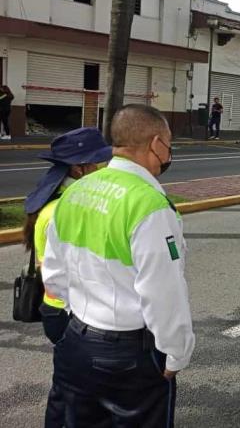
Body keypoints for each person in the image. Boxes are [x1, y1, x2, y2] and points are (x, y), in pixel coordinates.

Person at [43, 104, 195, 426]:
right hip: (129, 356)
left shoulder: (75, 192)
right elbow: (164, 293)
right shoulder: (148, 204)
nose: (169, 154)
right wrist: (175, 353)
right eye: (169, 145)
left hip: (75, 342)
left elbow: (54, 276)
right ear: (156, 144)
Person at [23, 127, 112, 428]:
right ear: (79, 167)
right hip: (68, 312)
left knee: (68, 388)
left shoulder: (52, 201)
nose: (101, 168)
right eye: (97, 162)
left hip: (56, 307)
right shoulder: (67, 207)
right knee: (73, 393)